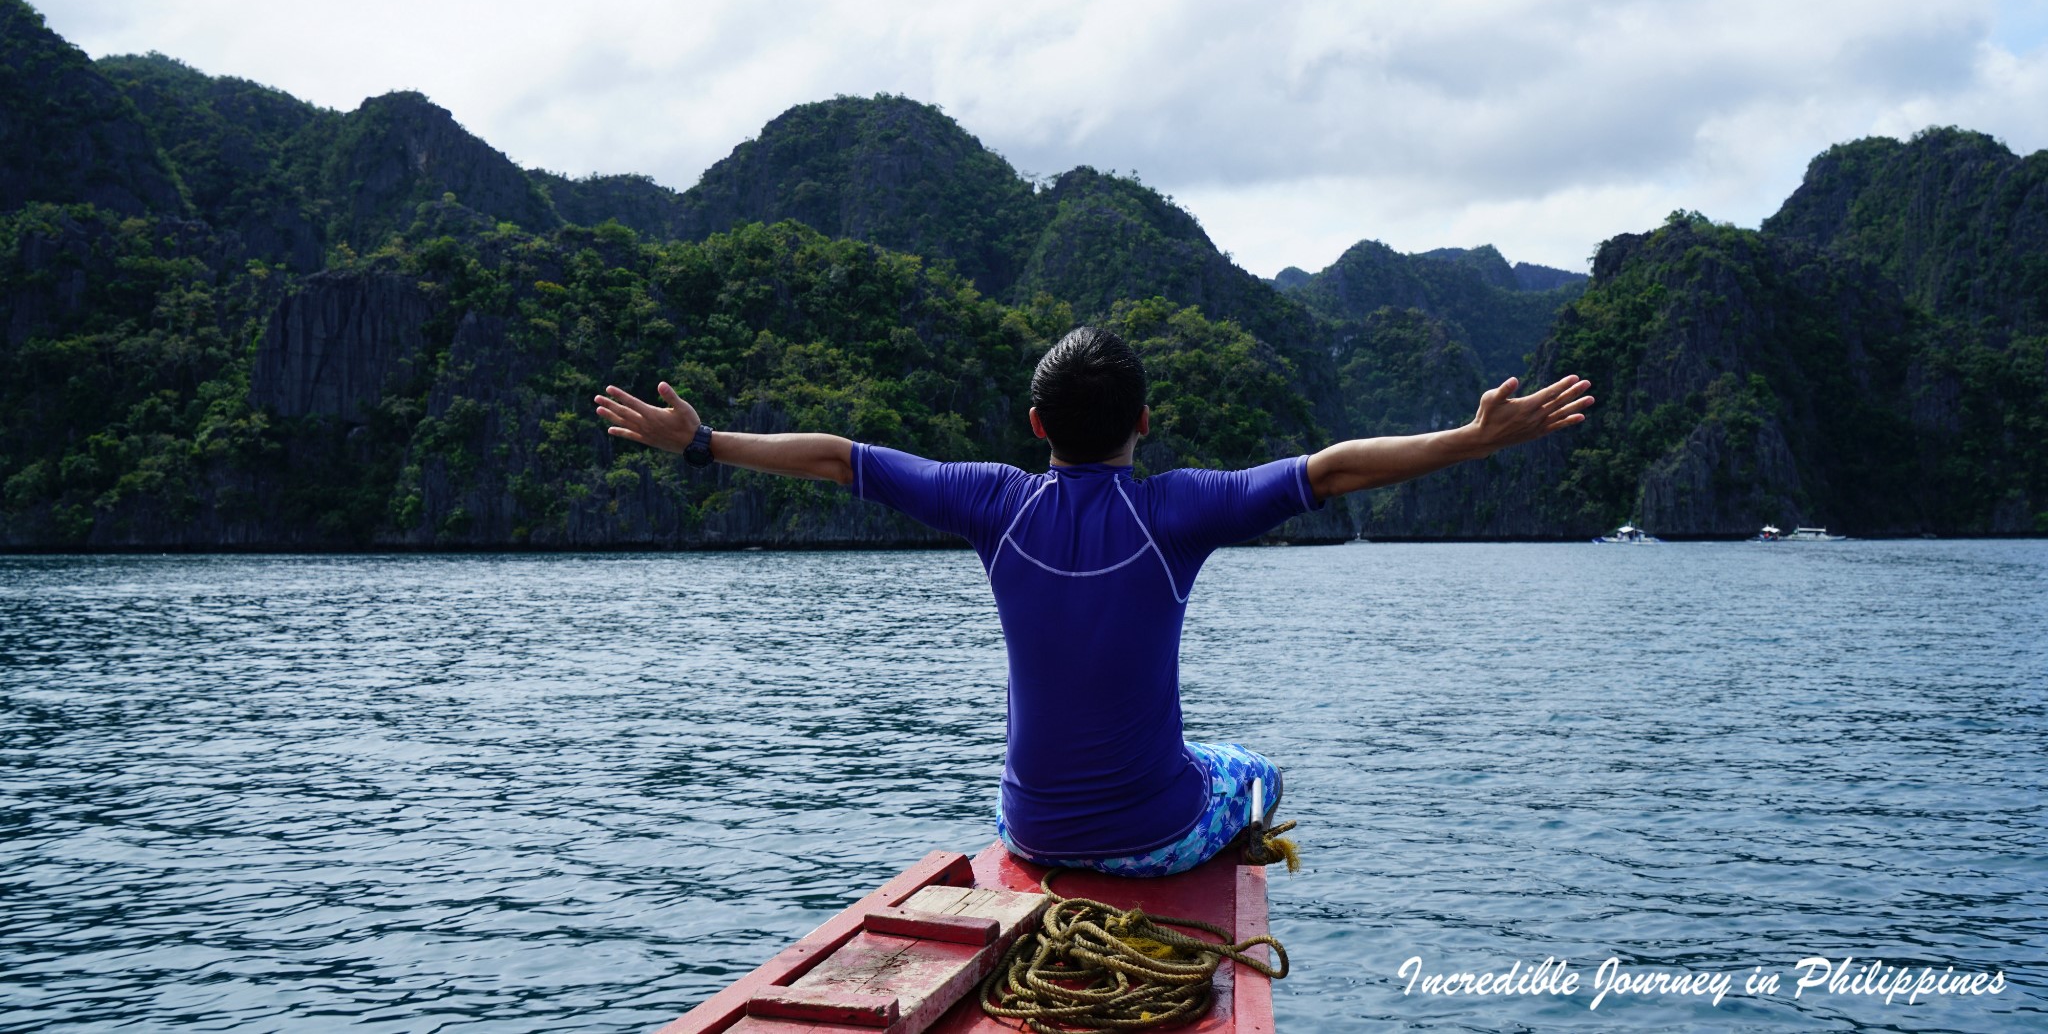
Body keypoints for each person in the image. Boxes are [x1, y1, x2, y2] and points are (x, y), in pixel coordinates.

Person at [594, 325, 1592, 877]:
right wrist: (1468, 439)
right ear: (1146, 423)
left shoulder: (993, 503)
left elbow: (836, 457)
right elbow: (1327, 472)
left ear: (1035, 424)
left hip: (1028, 829)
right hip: (1151, 835)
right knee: (1252, 771)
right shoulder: (1177, 510)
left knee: (1145, 764)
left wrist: (700, 440)